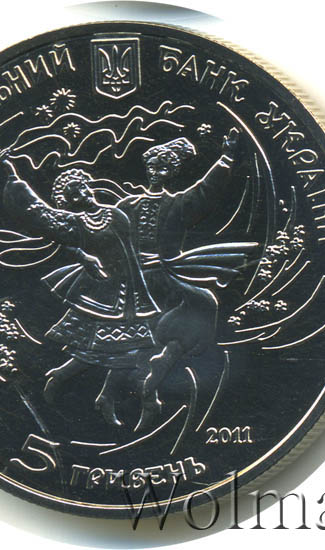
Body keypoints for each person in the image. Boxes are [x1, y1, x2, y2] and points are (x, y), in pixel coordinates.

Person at [101, 128, 257, 430]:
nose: (156, 172)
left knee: (202, 306)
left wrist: (225, 159)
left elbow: (205, 190)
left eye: (163, 168)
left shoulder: (177, 204)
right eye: (153, 166)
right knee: (132, 338)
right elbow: (105, 239)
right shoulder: (126, 206)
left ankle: (151, 385)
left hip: (165, 278)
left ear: (172, 172)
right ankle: (111, 395)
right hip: (132, 282)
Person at [0, 149, 159, 426]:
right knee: (117, 349)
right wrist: (11, 172)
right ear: (70, 202)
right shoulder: (75, 223)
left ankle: (87, 388)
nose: (83, 195)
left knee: (129, 350)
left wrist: (141, 286)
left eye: (82, 188)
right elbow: (38, 212)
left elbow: (132, 251)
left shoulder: (116, 214)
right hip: (99, 294)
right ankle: (72, 382)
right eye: (74, 195)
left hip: (128, 292)